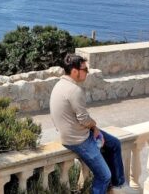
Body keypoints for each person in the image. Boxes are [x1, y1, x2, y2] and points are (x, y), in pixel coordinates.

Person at [50, 54, 124, 194]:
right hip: (78, 140)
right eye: (84, 69)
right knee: (104, 175)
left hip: (76, 132)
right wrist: (94, 125)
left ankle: (115, 185)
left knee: (114, 144)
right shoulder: (74, 90)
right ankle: (110, 184)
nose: (87, 72)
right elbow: (84, 119)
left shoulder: (59, 85)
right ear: (74, 71)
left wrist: (94, 128)